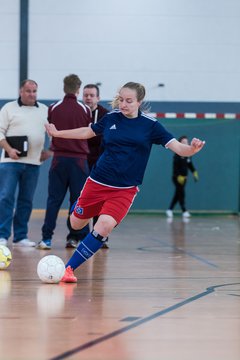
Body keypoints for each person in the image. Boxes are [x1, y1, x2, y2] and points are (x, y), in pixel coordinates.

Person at [45, 82, 205, 282]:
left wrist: (192, 149)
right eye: (121, 99)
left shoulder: (151, 125)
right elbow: (88, 132)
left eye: (129, 101)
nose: (123, 104)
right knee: (75, 224)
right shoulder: (111, 118)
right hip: (97, 183)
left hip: (124, 190)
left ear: (139, 102)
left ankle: (68, 270)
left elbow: (178, 148)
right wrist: (58, 134)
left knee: (104, 226)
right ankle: (84, 207)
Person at [37, 74, 92, 250]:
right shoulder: (85, 110)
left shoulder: (53, 108)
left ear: (64, 88)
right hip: (79, 161)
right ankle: (74, 238)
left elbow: (51, 132)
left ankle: (46, 239)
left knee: (53, 200)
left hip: (59, 160)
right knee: (77, 201)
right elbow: (86, 132)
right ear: (78, 89)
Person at [0, 79, 50, 247]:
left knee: (26, 200)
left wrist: (51, 151)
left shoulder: (44, 110)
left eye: (34, 91)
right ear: (21, 91)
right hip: (10, 162)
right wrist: (9, 149)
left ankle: (21, 236)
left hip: (33, 164)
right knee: (6, 197)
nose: (32, 94)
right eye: (28, 91)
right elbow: (0, 131)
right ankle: (2, 236)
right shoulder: (8, 108)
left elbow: (54, 133)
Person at [82, 84, 109, 248]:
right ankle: (79, 236)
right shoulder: (77, 113)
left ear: (98, 98)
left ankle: (100, 237)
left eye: (92, 95)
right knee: (83, 199)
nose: (88, 98)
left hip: (100, 164)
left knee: (100, 201)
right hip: (80, 162)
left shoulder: (106, 115)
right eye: (86, 95)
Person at [166, 135, 199, 219]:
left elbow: (190, 164)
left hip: (184, 178)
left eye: (187, 142)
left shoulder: (188, 155)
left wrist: (194, 172)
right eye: (183, 142)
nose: (186, 143)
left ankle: (170, 209)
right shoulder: (177, 155)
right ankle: (184, 211)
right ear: (180, 143)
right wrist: (178, 176)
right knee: (181, 193)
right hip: (177, 178)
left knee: (178, 194)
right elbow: (175, 168)